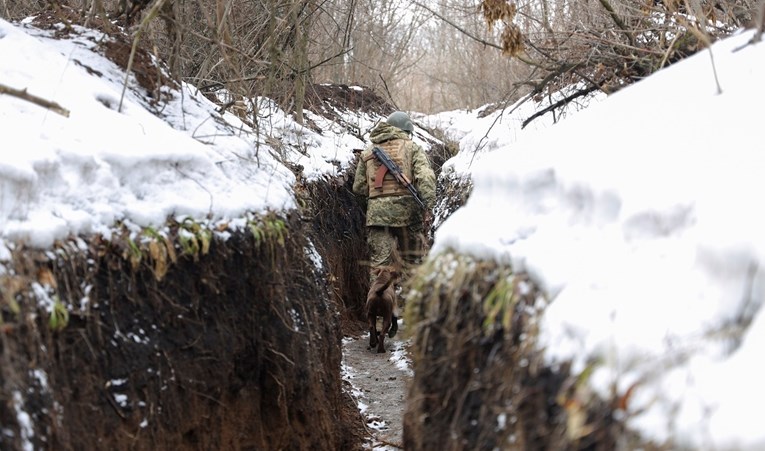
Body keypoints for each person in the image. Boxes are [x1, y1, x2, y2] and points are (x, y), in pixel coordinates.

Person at [353, 111, 436, 337]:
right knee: (412, 262)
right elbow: (426, 177)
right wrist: (428, 205)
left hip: (377, 217)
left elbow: (359, 188)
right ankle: (411, 317)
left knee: (380, 268)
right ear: (407, 130)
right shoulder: (412, 147)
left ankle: (378, 322)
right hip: (408, 215)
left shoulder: (369, 151)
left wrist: (378, 201)